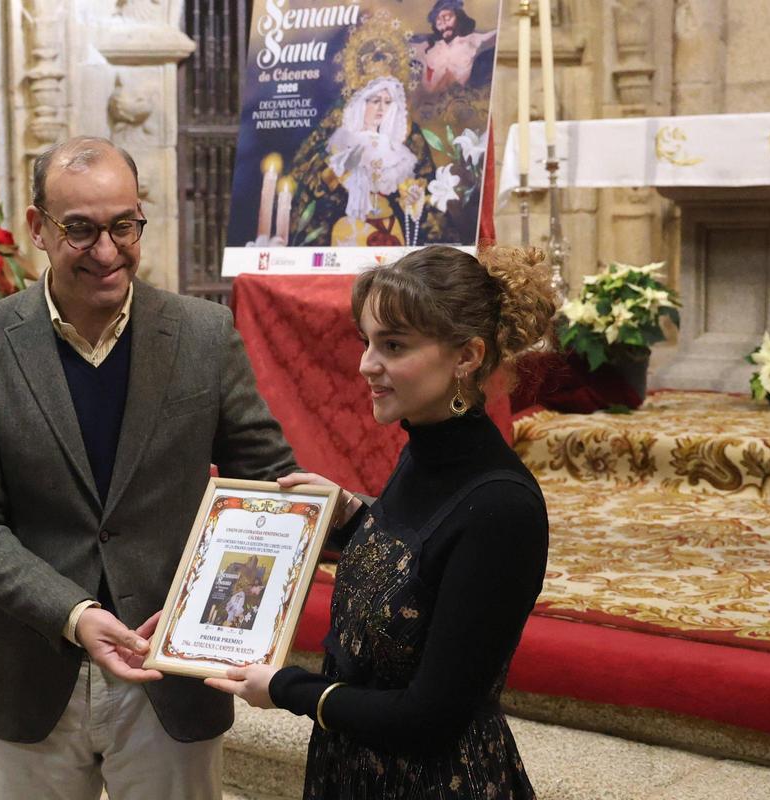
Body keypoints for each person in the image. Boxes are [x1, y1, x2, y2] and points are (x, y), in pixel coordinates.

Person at [0, 136, 297, 800]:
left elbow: (266, 488)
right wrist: (71, 611)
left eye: (123, 226)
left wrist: (231, 609)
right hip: (31, 672)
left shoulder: (203, 334)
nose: (106, 250)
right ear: (38, 227)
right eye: (81, 230)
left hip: (172, 675)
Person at [206, 245, 557, 799]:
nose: (366, 364)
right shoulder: (425, 449)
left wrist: (287, 688)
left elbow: (429, 718)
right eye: (366, 341)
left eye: (393, 346)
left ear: (466, 356)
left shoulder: (501, 508)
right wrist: (352, 516)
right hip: (356, 765)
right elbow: (421, 562)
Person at [325, 75, 418, 247]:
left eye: (388, 102)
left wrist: (412, 198)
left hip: (390, 223)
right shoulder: (346, 141)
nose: (381, 108)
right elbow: (332, 180)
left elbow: (405, 194)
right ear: (363, 104)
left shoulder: (397, 151)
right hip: (353, 224)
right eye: (376, 101)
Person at [410, 0, 498, 97]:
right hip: (428, 101)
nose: (443, 24)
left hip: (456, 99)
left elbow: (498, 34)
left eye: (447, 18)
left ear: (459, 16)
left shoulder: (471, 40)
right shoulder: (430, 47)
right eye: (438, 21)